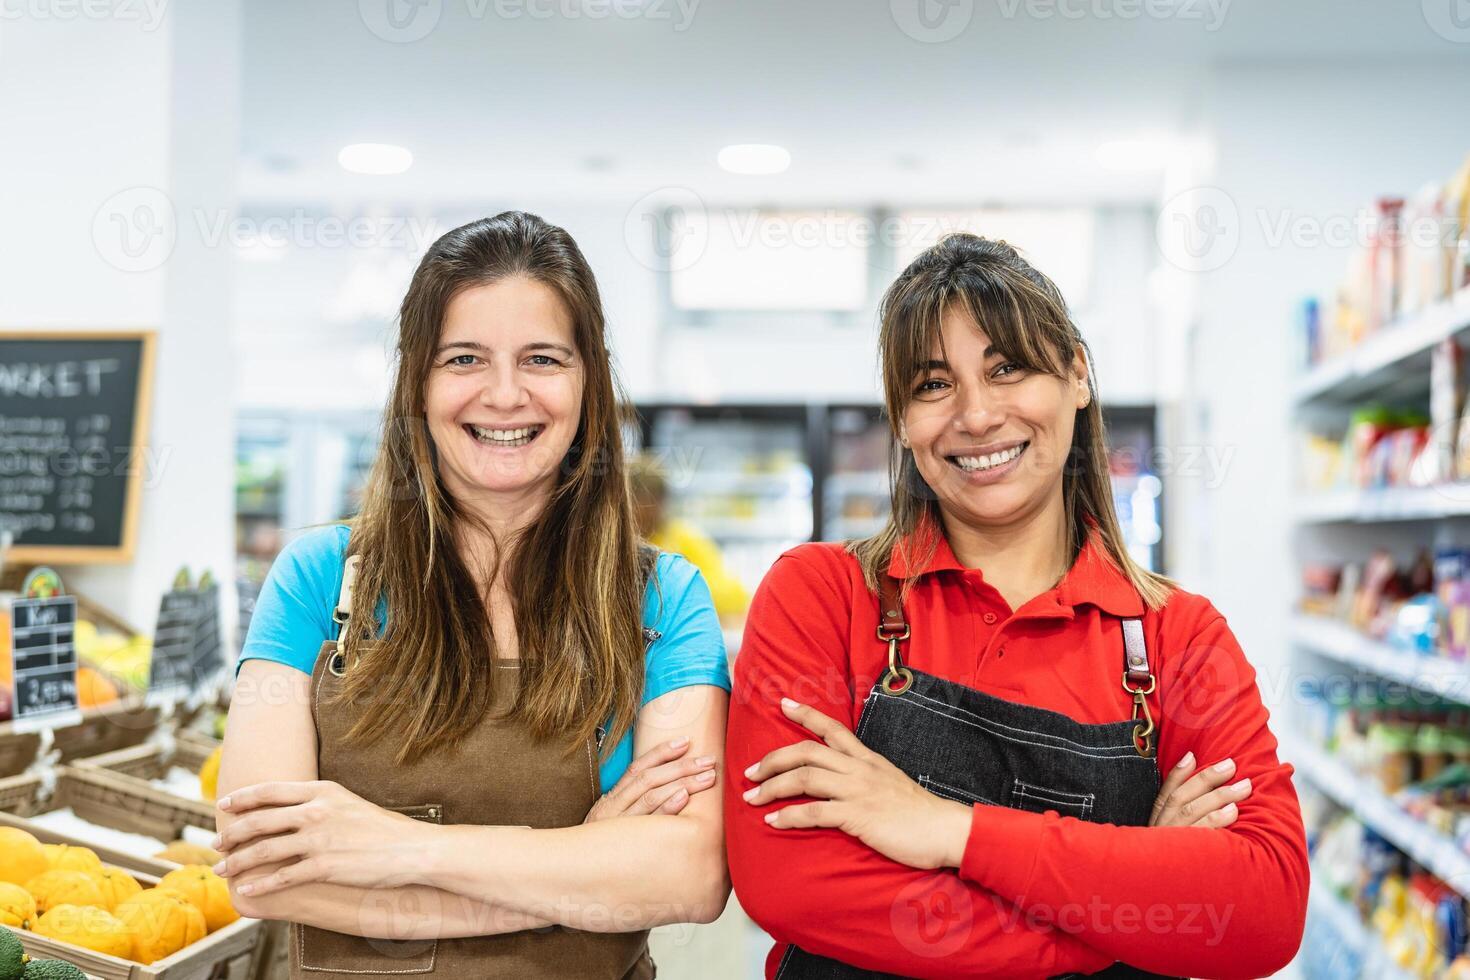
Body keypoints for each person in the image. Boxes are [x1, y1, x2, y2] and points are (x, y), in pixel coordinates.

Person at [724, 234, 1308, 979]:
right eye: (933, 385)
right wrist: (1127, 920)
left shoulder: (1178, 638)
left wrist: (950, 832)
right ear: (901, 420)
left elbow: (1264, 908)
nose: (975, 415)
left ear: (1077, 375)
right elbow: (788, 882)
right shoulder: (822, 597)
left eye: (1008, 368)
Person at [214, 211, 731, 979]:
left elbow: (688, 876)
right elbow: (262, 868)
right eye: (464, 358)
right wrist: (583, 868)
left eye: (542, 359)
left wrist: (396, 846)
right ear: (416, 380)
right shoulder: (318, 578)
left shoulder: (661, 599)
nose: (504, 393)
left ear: (589, 377)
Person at [628, 453, 750, 623]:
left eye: (659, 498)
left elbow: (735, 595)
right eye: (645, 500)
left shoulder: (683, 537)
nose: (654, 508)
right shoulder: (614, 544)